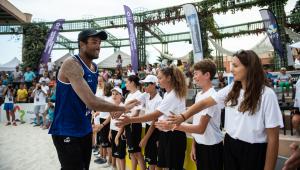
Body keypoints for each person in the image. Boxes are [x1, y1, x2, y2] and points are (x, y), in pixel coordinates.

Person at [167, 50, 283, 170]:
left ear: (250, 67)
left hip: (253, 151)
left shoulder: (267, 95)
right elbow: (205, 102)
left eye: (236, 66)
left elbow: (273, 138)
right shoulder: (232, 88)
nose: (232, 69)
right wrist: (183, 116)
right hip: (230, 145)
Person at [48, 29, 137, 170]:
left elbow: (91, 100)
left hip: (85, 129)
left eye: (100, 42)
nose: (98, 46)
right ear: (81, 44)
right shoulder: (71, 64)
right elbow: (91, 101)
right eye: (94, 42)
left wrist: (109, 112)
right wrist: (121, 108)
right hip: (67, 129)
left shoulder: (94, 67)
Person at [156, 59, 223, 170]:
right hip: (201, 145)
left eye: (196, 74)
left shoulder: (212, 96)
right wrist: (194, 146)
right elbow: (197, 122)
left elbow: (201, 128)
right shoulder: (200, 94)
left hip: (211, 147)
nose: (194, 77)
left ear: (207, 75)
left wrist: (173, 126)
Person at [116, 66, 187, 170]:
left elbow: (154, 115)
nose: (158, 81)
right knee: (161, 165)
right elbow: (135, 102)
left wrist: (130, 120)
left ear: (169, 78)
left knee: (169, 166)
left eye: (160, 78)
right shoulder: (167, 93)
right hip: (165, 133)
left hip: (174, 135)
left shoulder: (172, 95)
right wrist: (120, 110)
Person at [138, 75, 162, 170]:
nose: (144, 86)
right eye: (144, 84)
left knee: (153, 160)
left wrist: (145, 139)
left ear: (154, 85)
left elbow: (154, 122)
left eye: (147, 84)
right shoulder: (147, 95)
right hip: (149, 128)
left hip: (154, 130)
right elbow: (135, 102)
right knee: (149, 158)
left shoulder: (159, 100)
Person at [123, 75, 146, 170]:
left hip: (135, 124)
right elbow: (125, 110)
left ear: (132, 82)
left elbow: (136, 112)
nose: (125, 84)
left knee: (137, 152)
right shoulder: (129, 95)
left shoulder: (139, 95)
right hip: (128, 124)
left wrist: (128, 118)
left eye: (127, 82)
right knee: (131, 152)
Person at [108, 87, 127, 170]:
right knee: (116, 154)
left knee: (121, 156)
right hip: (113, 131)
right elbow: (112, 120)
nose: (114, 96)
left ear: (121, 96)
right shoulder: (112, 106)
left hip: (119, 132)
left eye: (116, 94)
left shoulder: (122, 107)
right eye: (113, 94)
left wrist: (117, 136)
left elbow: (123, 123)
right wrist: (110, 132)